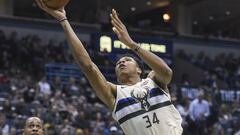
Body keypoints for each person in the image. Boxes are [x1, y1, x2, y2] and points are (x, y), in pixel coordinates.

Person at [35, 0, 183, 134]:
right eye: (118, 63)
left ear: (139, 69)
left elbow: (166, 71)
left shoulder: (153, 80)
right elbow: (88, 67)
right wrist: (63, 20)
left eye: (126, 60)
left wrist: (131, 44)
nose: (120, 63)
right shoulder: (115, 95)